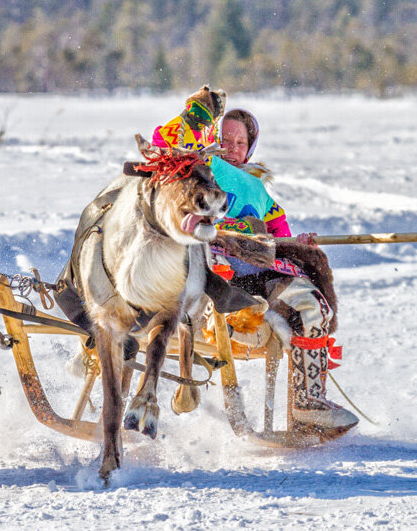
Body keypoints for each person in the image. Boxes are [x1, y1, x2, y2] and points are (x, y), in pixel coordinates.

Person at [152, 94, 358, 432]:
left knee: (315, 306)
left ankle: (309, 402)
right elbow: (163, 141)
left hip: (259, 274)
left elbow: (280, 239)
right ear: (213, 139)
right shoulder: (197, 168)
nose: (232, 148)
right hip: (209, 276)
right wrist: (194, 117)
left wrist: (297, 243)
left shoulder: (259, 192)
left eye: (240, 142)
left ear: (250, 148)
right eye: (225, 139)